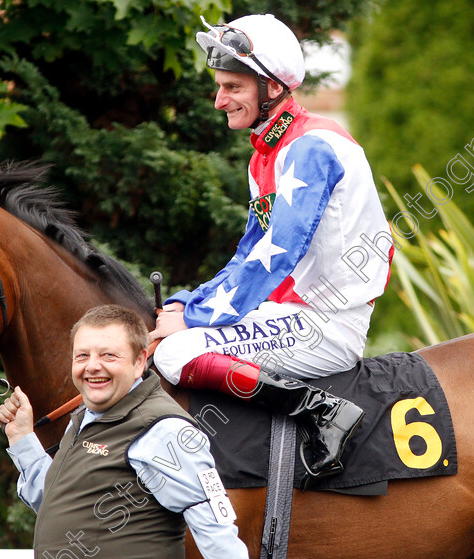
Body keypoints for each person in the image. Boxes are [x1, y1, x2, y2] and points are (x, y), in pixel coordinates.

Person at [149, 14, 394, 481]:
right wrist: (189, 301)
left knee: (173, 355)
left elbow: (277, 253)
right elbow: (249, 255)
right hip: (292, 316)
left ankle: (322, 411)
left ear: (273, 88)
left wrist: (196, 319)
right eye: (220, 86)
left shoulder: (310, 147)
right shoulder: (268, 153)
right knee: (167, 331)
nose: (219, 99)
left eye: (233, 87)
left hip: (325, 325)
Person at [0, 305, 248, 559]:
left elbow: (219, 537)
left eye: (108, 356)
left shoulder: (165, 430)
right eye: (82, 356)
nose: (92, 366)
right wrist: (21, 438)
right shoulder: (83, 420)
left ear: (139, 362)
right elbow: (53, 501)